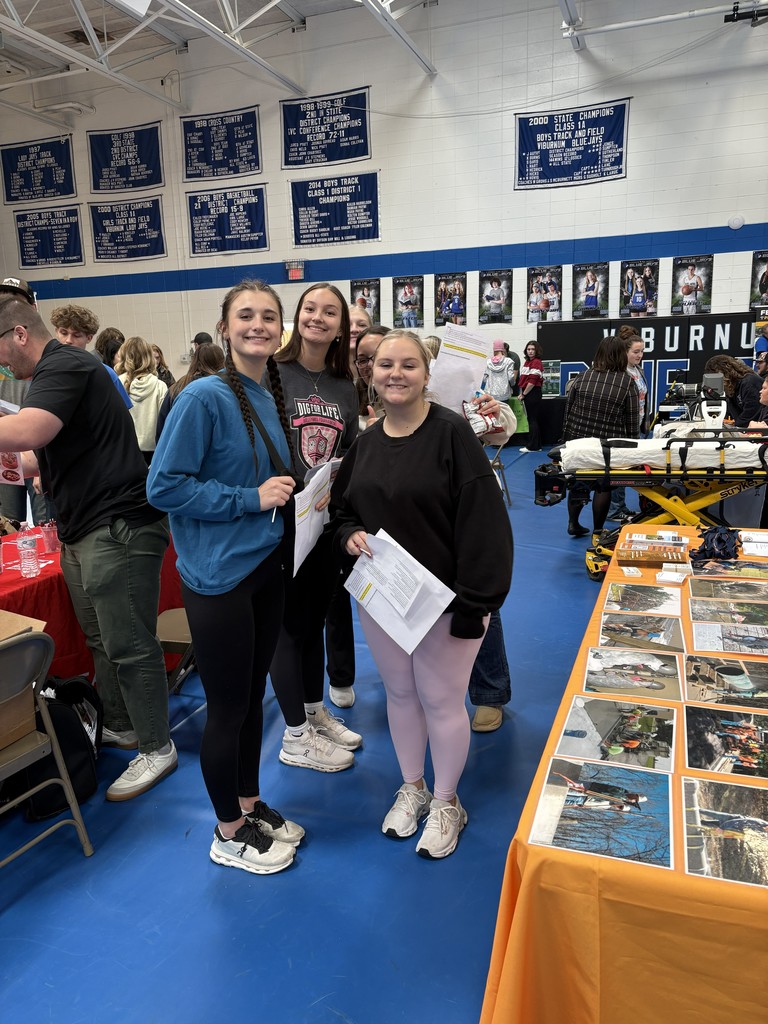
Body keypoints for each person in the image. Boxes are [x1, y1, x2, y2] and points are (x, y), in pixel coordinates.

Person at [330, 330, 513, 858]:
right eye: (385, 364)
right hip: (383, 600)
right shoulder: (364, 443)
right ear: (370, 372)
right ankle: (413, 787)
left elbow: (485, 527)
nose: (395, 374)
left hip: (448, 603)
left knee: (440, 699)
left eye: (408, 365)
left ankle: (448, 801)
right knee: (402, 695)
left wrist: (475, 604)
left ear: (427, 375)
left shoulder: (452, 435)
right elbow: (343, 513)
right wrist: (348, 536)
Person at [147, 280, 302, 876]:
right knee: (228, 707)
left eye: (268, 316)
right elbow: (163, 487)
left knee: (251, 700)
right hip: (218, 578)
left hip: (263, 566)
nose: (258, 325)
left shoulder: (266, 394)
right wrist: (249, 496)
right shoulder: (203, 397)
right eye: (246, 316)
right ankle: (227, 830)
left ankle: (249, 802)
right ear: (226, 326)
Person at [0, 295, 174, 801]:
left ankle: (158, 746)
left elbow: (29, 431)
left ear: (18, 335)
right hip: (83, 527)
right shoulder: (53, 376)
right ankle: (123, 724)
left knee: (129, 642)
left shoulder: (66, 364)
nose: (3, 363)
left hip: (115, 524)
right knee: (101, 637)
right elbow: (34, 459)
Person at [268, 283, 362, 770]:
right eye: (310, 309)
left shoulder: (346, 385)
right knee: (288, 628)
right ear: (297, 316)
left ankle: (310, 710)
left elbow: (346, 446)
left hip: (322, 521)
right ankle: (295, 736)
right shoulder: (273, 372)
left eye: (330, 312)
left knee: (309, 624)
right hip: (282, 519)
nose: (318, 318)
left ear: (342, 326)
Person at [562, 335, 640, 540]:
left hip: (577, 441)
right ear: (622, 356)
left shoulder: (582, 376)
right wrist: (634, 449)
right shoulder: (627, 383)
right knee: (603, 486)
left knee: (578, 484)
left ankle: (573, 523)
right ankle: (597, 530)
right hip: (606, 446)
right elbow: (632, 420)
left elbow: (568, 411)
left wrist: (565, 441)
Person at [50, 304, 132, 409]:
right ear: (56, 332)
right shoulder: (46, 371)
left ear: (89, 338)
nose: (68, 340)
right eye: (64, 333)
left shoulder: (105, 373)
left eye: (76, 335)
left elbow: (123, 414)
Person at [608, 329, 648, 523]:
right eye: (636, 351)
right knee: (620, 469)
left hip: (636, 424)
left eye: (642, 351)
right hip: (622, 428)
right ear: (625, 352)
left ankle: (620, 506)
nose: (639, 355)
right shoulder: (619, 372)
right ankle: (614, 510)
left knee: (626, 469)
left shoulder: (637, 369)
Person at [155, 341, 225, 441]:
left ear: (194, 360)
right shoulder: (224, 389)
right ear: (222, 362)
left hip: (180, 446)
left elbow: (162, 428)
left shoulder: (178, 386)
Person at [116, 336, 168, 463]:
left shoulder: (117, 383)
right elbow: (165, 421)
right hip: (154, 450)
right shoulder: (160, 385)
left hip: (126, 450)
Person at [704, 354, 763, 427]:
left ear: (723, 372)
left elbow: (752, 412)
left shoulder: (750, 382)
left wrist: (735, 426)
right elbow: (731, 414)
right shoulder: (731, 388)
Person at [518, 339, 544, 452]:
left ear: (536, 350)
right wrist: (522, 393)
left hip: (532, 393)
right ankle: (536, 445)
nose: (530, 351)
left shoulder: (536, 362)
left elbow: (532, 382)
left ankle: (532, 446)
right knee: (532, 419)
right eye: (528, 349)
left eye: (533, 349)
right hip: (528, 393)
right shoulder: (527, 362)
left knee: (532, 419)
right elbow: (524, 380)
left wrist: (523, 394)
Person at [348, 303, 372, 374]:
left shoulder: (382, 366)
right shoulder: (324, 366)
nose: (354, 329)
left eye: (362, 325)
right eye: (347, 325)